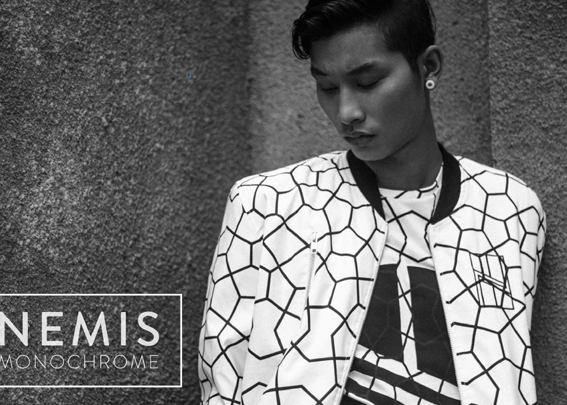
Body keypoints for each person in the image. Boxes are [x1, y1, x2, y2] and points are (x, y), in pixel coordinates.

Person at [198, 0, 546, 404]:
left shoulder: (510, 209)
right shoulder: (267, 205)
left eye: (367, 83)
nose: (347, 112)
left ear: (429, 67)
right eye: (328, 87)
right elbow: (222, 382)